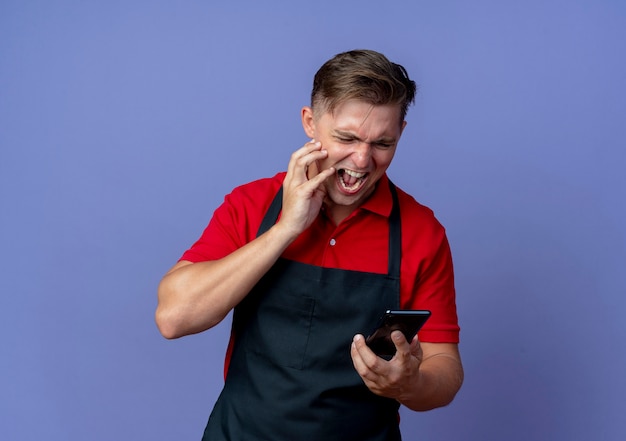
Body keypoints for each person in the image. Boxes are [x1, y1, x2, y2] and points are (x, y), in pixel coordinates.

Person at [156, 49, 463, 441]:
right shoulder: (251, 205)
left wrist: (408, 384)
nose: (363, 159)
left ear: (401, 132)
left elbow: (445, 366)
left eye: (382, 143)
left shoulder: (422, 232)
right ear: (310, 123)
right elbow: (174, 318)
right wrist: (286, 228)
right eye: (347, 138)